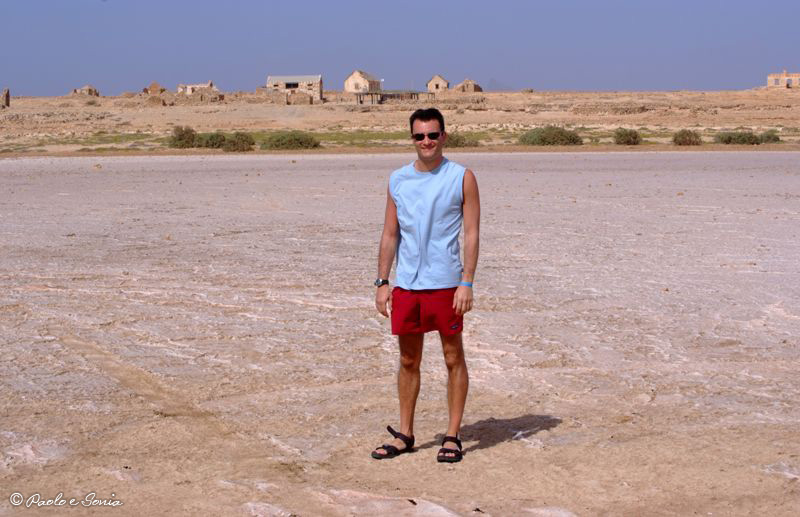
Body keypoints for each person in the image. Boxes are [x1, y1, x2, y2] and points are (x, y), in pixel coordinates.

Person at [371, 108, 480, 463]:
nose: (427, 141)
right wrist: (383, 282)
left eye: (433, 135)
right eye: (420, 136)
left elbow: (472, 233)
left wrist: (467, 281)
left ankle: (452, 435)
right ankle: (405, 434)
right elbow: (390, 234)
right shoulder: (398, 179)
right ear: (412, 139)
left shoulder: (461, 177)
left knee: (452, 356)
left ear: (444, 136)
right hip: (407, 285)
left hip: (446, 283)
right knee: (408, 359)